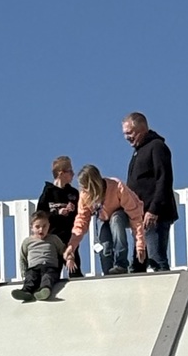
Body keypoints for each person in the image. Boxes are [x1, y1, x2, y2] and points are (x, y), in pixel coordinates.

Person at [64, 165, 146, 276]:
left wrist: (140, 244)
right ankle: (108, 271)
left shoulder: (116, 186)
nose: (83, 190)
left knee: (116, 220)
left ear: (93, 185)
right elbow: (81, 222)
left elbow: (135, 216)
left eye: (85, 187)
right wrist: (71, 246)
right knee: (105, 243)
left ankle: (121, 264)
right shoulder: (85, 196)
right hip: (104, 217)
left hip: (122, 214)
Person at [123, 112, 179, 272]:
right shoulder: (138, 151)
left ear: (142, 129)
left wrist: (154, 210)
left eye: (129, 133)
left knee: (156, 259)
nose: (127, 137)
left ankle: (165, 285)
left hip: (155, 217)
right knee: (138, 264)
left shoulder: (156, 147)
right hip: (140, 217)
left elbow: (164, 180)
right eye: (125, 134)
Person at [36, 156, 82, 277]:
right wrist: (57, 213)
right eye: (70, 171)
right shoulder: (48, 192)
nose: (73, 174)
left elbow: (80, 214)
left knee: (75, 270)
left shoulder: (73, 193)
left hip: (69, 238)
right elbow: (40, 215)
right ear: (61, 173)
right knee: (52, 272)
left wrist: (73, 210)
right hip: (53, 238)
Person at [12, 211, 67, 301]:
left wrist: (69, 257)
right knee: (30, 277)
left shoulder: (54, 239)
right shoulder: (27, 242)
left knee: (48, 277)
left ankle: (44, 290)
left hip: (50, 267)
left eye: (44, 226)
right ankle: (26, 292)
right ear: (32, 228)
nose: (41, 229)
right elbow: (23, 258)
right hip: (33, 268)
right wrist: (23, 273)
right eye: (37, 227)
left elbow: (63, 250)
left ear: (49, 226)